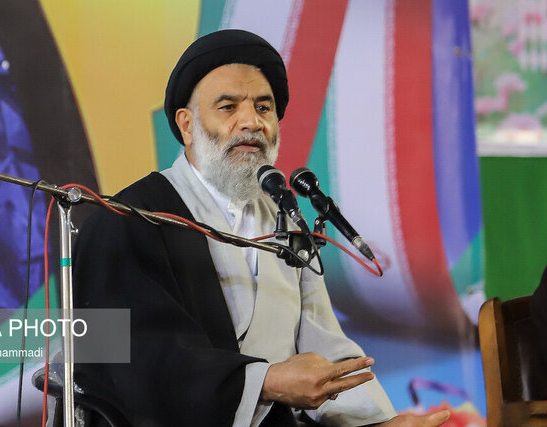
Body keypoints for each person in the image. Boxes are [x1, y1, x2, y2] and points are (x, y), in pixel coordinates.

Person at [73, 29, 450, 426]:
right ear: (186, 125)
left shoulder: (287, 224)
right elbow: (117, 359)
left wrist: (377, 423)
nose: (251, 122)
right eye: (228, 107)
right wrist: (264, 382)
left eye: (263, 108)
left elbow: (326, 348)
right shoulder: (122, 219)